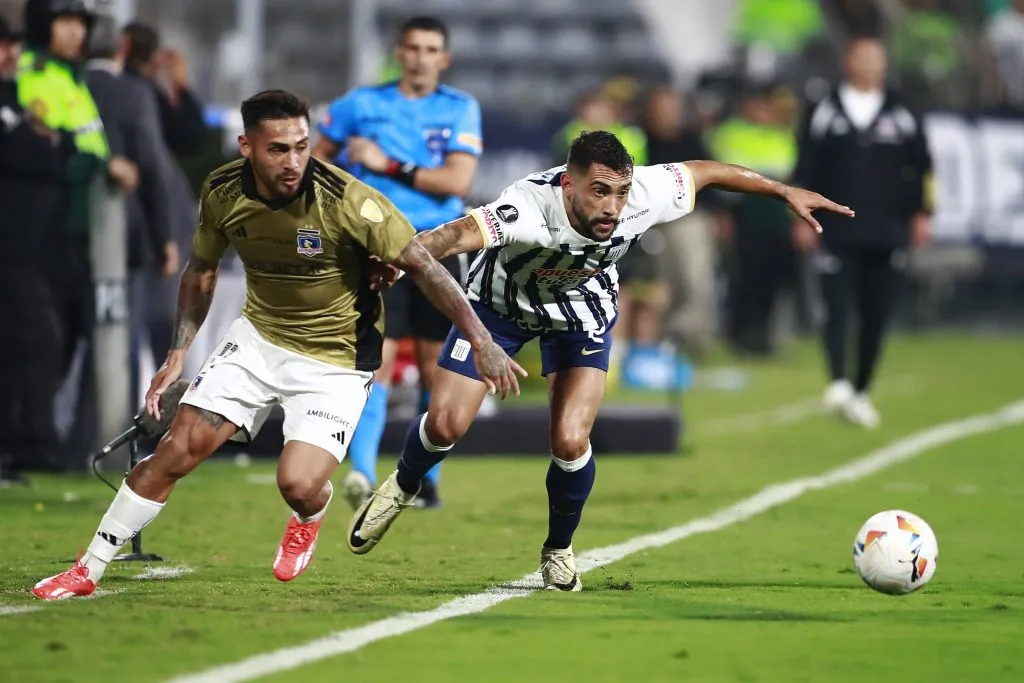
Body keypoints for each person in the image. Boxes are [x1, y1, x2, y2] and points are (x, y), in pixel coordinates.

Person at [32, 89, 524, 601]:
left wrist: (481, 339)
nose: (293, 162)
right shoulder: (223, 191)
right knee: (176, 450)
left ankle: (311, 510)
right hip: (258, 339)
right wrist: (178, 353)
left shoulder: (349, 200)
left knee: (297, 484)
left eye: (301, 146)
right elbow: (201, 270)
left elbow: (424, 265)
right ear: (247, 146)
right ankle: (87, 568)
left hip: (336, 358)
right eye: (277, 149)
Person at [345, 130, 854, 591]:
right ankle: (403, 486)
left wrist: (783, 190)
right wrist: (403, 256)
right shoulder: (526, 206)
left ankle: (558, 550)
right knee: (446, 422)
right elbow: (452, 236)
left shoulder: (642, 195)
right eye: (599, 191)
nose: (613, 206)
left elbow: (709, 171)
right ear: (568, 184)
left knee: (570, 440)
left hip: (582, 313)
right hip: (498, 307)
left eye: (620, 192)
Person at [312, 16, 482, 510]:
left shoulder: (459, 108)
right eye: (413, 47)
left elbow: (457, 182)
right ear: (399, 53)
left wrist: (386, 165)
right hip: (376, 247)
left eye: (432, 49)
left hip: (437, 249)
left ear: (443, 59)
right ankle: (362, 473)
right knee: (376, 365)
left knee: (436, 371)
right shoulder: (361, 104)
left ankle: (422, 479)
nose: (421, 57)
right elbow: (316, 163)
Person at [793, 36, 932, 429]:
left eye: (877, 57)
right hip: (835, 229)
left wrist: (922, 213)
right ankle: (837, 379)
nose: (870, 64)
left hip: (887, 230)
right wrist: (800, 219)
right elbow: (804, 167)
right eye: (863, 57)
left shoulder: (903, 111)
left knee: (876, 314)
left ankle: (863, 389)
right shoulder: (824, 110)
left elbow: (923, 167)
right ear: (848, 62)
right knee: (835, 308)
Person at [0, 13, 69, 484]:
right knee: (35, 343)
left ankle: (16, 451)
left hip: (22, 251)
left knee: (22, 348)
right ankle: (29, 445)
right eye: (3, 46)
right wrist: (38, 141)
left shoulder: (12, 97)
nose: (10, 55)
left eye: (13, 46)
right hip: (11, 254)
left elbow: (43, 156)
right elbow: (33, 155)